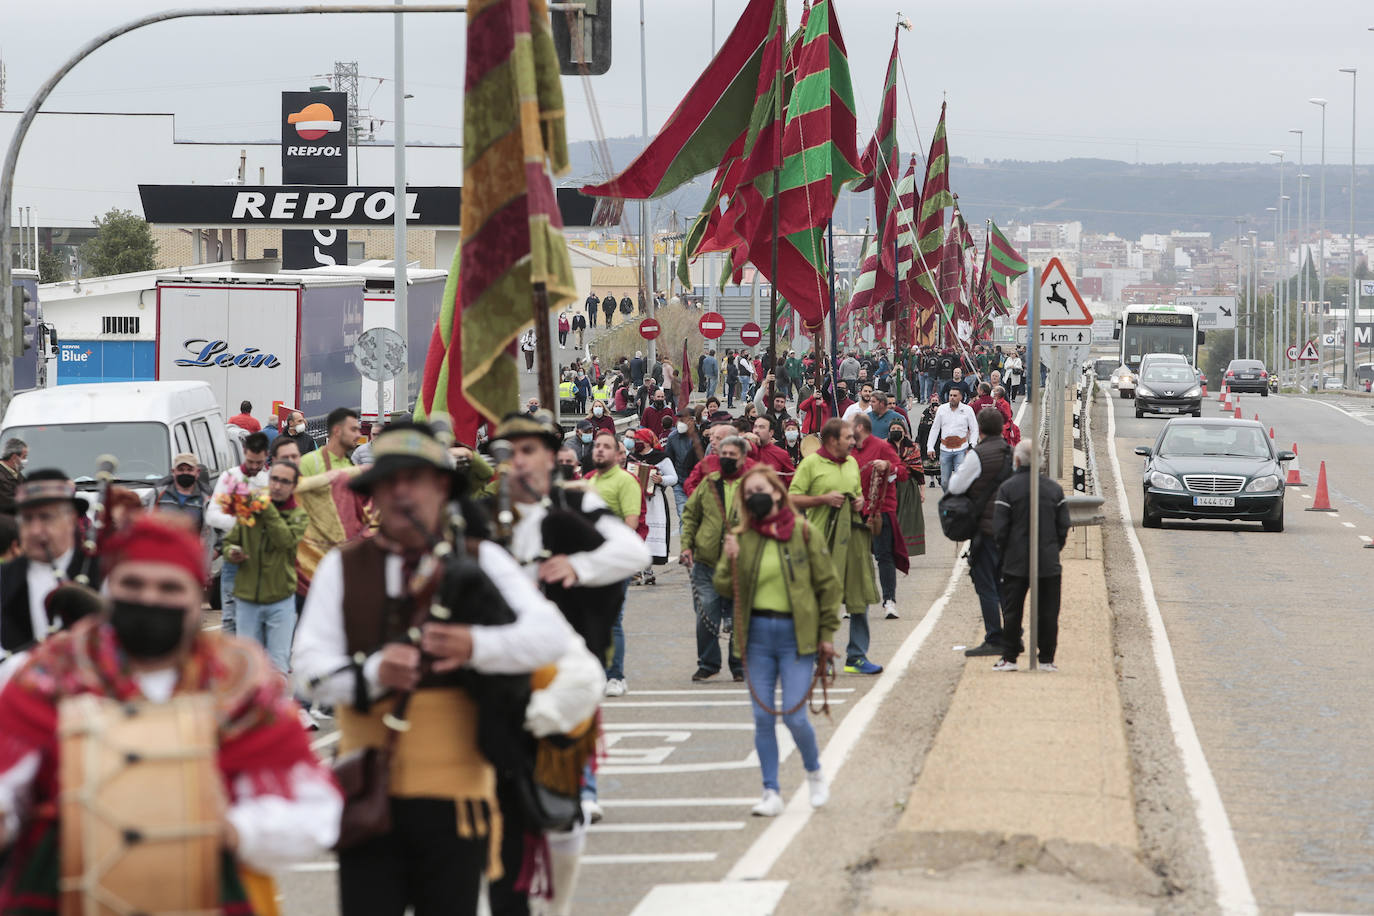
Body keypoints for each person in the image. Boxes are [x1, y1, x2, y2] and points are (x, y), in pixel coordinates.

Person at [293, 422, 575, 916]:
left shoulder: (482, 557)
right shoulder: (344, 566)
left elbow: (551, 638)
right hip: (368, 794)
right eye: (388, 481)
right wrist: (376, 671)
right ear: (373, 495)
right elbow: (308, 670)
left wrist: (474, 645)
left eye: (415, 478)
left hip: (456, 797)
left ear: (442, 487)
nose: (401, 491)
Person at [0, 514, 342, 913]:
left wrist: (233, 829)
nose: (149, 599)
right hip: (65, 894)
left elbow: (317, 809)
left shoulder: (240, 687)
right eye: (133, 584)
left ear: (196, 600)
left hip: (209, 891)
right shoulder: (48, 676)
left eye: (168, 587)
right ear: (111, 591)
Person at [487, 412, 647, 907]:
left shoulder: (577, 501)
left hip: (565, 670)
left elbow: (632, 553)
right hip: (499, 671)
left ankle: (559, 896)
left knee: (561, 807)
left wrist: (577, 564)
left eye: (528, 450)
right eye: (508, 453)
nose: (519, 462)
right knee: (502, 811)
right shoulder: (486, 513)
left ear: (549, 455)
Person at [717, 465, 839, 817]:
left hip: (796, 637)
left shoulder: (803, 532)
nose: (755, 495)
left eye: (761, 489)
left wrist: (827, 635)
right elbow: (725, 587)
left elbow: (828, 586)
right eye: (748, 491)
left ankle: (814, 771)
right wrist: (729, 558)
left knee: (795, 717)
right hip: (755, 638)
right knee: (762, 716)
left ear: (776, 492)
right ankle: (770, 790)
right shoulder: (742, 536)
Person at [789, 419, 882, 675]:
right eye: (848, 438)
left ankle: (857, 657)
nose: (853, 442)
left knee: (859, 597)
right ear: (832, 441)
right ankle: (819, 656)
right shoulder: (810, 464)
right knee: (820, 600)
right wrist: (822, 499)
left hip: (854, 540)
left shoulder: (852, 462)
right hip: (822, 542)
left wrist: (860, 501)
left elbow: (858, 493)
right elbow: (791, 498)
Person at [992, 440, 1070, 672]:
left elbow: (1000, 529)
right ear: (1041, 460)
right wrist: (1052, 549)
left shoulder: (1007, 489)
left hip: (1015, 562)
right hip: (1047, 562)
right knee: (1048, 611)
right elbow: (1063, 527)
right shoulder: (1054, 490)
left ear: (1017, 461)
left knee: (1012, 611)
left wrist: (1005, 553)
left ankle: (1010, 656)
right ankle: (1046, 658)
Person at [223, 460, 307, 676]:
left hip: (280, 600)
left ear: (294, 486)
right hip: (247, 599)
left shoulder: (298, 515)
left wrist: (267, 509)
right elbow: (229, 542)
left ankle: (274, 709)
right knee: (248, 667)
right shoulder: (250, 508)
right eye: (274, 479)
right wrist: (232, 551)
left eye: (284, 481)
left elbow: (286, 541)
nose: (278, 485)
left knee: (277, 666)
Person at [0, 472, 97, 654]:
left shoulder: (100, 571)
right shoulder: (5, 578)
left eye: (46, 517)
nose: (36, 531)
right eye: (27, 519)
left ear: (70, 519)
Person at [681, 434, 749, 683]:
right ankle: (708, 663)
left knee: (740, 617)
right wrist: (687, 546)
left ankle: (740, 665)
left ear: (742, 458)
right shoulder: (708, 483)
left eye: (732, 455)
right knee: (706, 615)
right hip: (707, 562)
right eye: (724, 455)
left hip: (741, 563)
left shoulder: (753, 485)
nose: (727, 459)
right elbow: (690, 515)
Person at [947, 408, 1014, 659]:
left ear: (980, 429)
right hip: (1009, 529)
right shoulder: (1011, 453)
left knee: (986, 585)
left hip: (986, 531)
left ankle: (994, 637)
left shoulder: (978, 455)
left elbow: (955, 485)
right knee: (1006, 584)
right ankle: (1012, 633)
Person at [583, 430, 643, 697]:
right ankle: (596, 673)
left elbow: (631, 522)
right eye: (597, 446)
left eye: (606, 447)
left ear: (619, 454)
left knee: (613, 620)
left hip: (614, 561)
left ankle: (616, 676)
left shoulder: (626, 481)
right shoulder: (586, 481)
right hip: (589, 562)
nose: (599, 450)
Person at [206, 432, 270, 636]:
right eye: (250, 461)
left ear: (266, 456)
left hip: (262, 560)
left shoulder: (269, 480)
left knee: (260, 620)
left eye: (259, 462)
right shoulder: (230, 478)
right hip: (234, 556)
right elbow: (212, 515)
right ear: (244, 452)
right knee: (230, 619)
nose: (254, 466)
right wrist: (244, 523)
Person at [851, 414, 907, 620]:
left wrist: (888, 466)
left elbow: (902, 472)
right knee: (856, 557)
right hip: (855, 510)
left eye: (851, 427)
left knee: (884, 555)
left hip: (880, 510)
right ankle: (855, 600)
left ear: (859, 428)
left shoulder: (882, 447)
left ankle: (889, 601)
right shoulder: (849, 450)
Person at [628, 428, 678, 582]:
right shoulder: (631, 458)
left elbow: (674, 478)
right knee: (636, 534)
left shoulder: (661, 458)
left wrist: (661, 480)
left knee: (651, 536)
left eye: (639, 440)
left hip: (654, 501)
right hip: (635, 500)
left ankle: (647, 570)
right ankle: (637, 569)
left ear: (648, 442)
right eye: (635, 440)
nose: (636, 443)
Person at [926, 386, 978, 493]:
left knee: (960, 480)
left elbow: (974, 429)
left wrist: (972, 445)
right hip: (945, 450)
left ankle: (958, 504)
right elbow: (935, 429)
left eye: (955, 395)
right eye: (950, 395)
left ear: (961, 397)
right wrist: (930, 447)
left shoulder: (968, 410)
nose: (952, 398)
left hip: (962, 449)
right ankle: (948, 501)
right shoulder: (942, 409)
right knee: (944, 482)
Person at [889, 423, 926, 561]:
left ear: (904, 432)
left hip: (908, 486)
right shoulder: (885, 447)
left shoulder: (913, 448)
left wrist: (922, 491)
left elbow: (919, 471)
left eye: (898, 429)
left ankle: (904, 550)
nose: (896, 431)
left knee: (907, 519)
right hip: (890, 486)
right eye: (893, 429)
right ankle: (892, 548)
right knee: (892, 518)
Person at [153, 451, 212, 534]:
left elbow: (217, 529)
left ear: (197, 472)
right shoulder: (158, 494)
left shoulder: (207, 498)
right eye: (181, 470)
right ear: (173, 472)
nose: (185, 473)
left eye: (189, 470)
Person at [665, 408, 704, 523]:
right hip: (680, 484)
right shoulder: (673, 437)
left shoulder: (702, 435)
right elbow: (668, 460)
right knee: (684, 517)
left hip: (698, 484)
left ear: (692, 421)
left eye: (684, 420)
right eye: (679, 420)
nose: (680, 423)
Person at [298, 407, 360, 477]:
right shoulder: (308, 463)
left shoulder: (351, 465)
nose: (358, 435)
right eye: (353, 430)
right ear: (337, 431)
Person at [751, 416, 796, 482]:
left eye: (761, 427)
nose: (756, 431)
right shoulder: (745, 449)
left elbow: (791, 481)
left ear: (771, 433)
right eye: (755, 427)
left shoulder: (781, 454)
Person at [0, 438, 27, 515]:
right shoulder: (1, 477)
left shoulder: (14, 472)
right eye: (24, 457)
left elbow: (28, 485)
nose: (25, 460)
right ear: (14, 457)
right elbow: (11, 503)